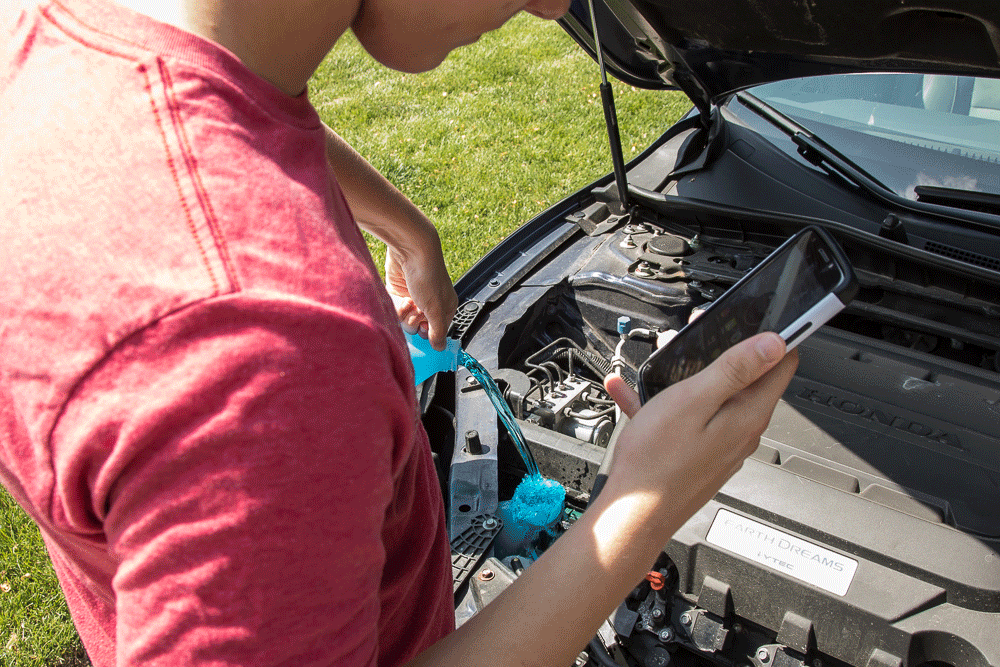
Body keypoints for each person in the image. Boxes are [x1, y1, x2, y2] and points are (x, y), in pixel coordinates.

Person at [0, 1, 799, 666]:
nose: (559, 6)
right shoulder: (258, 347)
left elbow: (236, 99)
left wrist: (410, 230)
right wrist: (641, 505)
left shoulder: (50, 34)